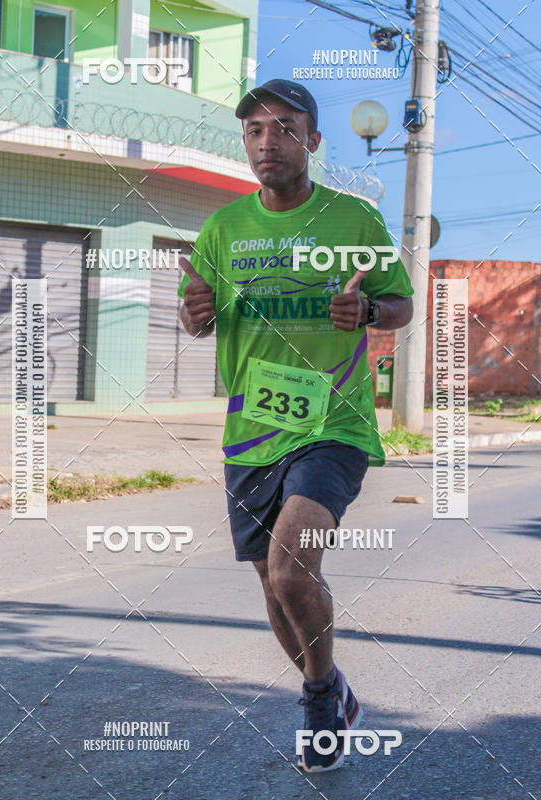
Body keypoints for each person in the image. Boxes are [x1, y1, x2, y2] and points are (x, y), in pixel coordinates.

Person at [178, 79, 414, 773]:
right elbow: (199, 320)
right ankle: (333, 685)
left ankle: (316, 701)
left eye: (284, 127)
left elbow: (399, 302)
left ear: (311, 141)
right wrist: (194, 316)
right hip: (251, 432)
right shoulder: (223, 230)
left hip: (332, 423)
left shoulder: (354, 220)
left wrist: (370, 314)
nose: (266, 141)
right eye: (254, 130)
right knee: (271, 583)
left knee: (290, 565)